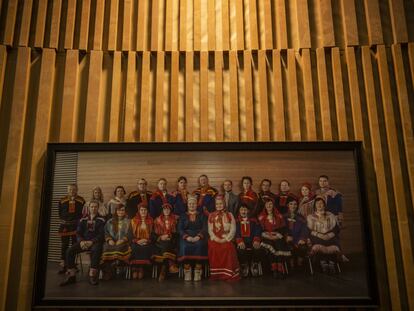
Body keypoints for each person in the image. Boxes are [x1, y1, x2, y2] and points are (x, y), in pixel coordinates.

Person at [60, 200, 105, 286]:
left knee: (96, 250)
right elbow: (78, 232)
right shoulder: (83, 219)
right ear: (89, 208)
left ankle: (92, 276)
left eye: (95, 207)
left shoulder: (101, 220)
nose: (93, 208)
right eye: (92, 207)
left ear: (98, 208)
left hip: (95, 243)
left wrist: (91, 242)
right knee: (69, 251)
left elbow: (101, 235)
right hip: (83, 242)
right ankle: (72, 276)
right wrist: (81, 241)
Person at [208, 195, 240, 281]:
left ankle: (228, 273)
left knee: (228, 248)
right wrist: (216, 238)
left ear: (224, 204)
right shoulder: (211, 215)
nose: (219, 205)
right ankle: (217, 274)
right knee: (213, 248)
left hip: (226, 237)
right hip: (215, 238)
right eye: (217, 204)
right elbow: (210, 230)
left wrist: (226, 239)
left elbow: (233, 229)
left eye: (221, 203)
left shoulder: (229, 215)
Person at [177, 195, 208, 281]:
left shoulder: (202, 215)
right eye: (190, 203)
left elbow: (205, 228)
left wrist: (199, 236)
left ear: (196, 204)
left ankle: (198, 270)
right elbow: (179, 229)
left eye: (193, 203)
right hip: (186, 236)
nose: (192, 205)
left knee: (200, 245)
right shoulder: (183, 216)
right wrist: (187, 237)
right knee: (185, 246)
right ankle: (187, 270)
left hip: (199, 236)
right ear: (187, 205)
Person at [307, 196, 341, 274]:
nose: (319, 205)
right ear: (315, 206)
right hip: (316, 236)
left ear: (324, 205)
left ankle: (331, 263)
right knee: (319, 243)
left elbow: (336, 228)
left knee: (334, 242)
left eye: (321, 203)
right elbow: (309, 230)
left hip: (330, 235)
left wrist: (329, 235)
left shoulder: (331, 215)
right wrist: (319, 235)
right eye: (317, 204)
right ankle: (324, 264)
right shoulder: (310, 216)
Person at [258, 198, 291, 279]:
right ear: (265, 206)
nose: (269, 206)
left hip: (277, 236)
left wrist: (277, 236)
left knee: (279, 244)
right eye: (267, 204)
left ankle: (279, 268)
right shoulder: (261, 216)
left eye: (270, 204)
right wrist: (268, 236)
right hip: (265, 236)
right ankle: (274, 268)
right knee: (270, 245)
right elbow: (259, 229)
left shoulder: (278, 216)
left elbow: (283, 228)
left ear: (273, 205)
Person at [57, 184, 85, 274]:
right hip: (65, 226)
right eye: (70, 189)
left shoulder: (81, 200)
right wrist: (65, 220)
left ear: (77, 190)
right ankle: (63, 266)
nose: (72, 191)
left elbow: (83, 213)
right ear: (67, 190)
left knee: (74, 246)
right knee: (64, 245)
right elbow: (60, 213)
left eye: (74, 189)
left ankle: (73, 265)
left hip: (76, 226)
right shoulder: (62, 200)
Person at [100, 203, 131, 280]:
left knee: (119, 248)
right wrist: (109, 240)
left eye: (122, 210)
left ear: (125, 211)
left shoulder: (129, 221)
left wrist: (122, 240)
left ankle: (117, 266)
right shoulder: (110, 221)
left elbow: (130, 233)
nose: (120, 212)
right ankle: (108, 271)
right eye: (119, 210)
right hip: (112, 241)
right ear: (116, 211)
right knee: (106, 248)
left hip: (123, 242)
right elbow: (106, 232)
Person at [152, 203, 179, 281]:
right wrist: (161, 237)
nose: (166, 210)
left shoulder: (176, 219)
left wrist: (169, 236)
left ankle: (163, 270)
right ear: (162, 210)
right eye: (164, 209)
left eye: (168, 209)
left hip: (172, 240)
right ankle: (171, 265)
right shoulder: (157, 220)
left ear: (170, 210)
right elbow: (153, 234)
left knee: (167, 244)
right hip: (160, 241)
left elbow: (177, 233)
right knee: (165, 245)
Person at [235, 204, 263, 278]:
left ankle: (255, 263)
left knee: (258, 249)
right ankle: (244, 264)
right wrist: (239, 241)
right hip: (242, 242)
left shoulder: (253, 220)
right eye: (241, 210)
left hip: (252, 241)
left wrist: (256, 240)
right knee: (240, 250)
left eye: (245, 210)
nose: (243, 211)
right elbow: (236, 232)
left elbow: (258, 230)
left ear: (248, 211)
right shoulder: (236, 221)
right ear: (239, 211)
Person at [129, 203, 155, 280]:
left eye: (145, 210)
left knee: (146, 248)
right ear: (139, 211)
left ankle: (141, 268)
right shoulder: (133, 220)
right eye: (141, 210)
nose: (143, 212)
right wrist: (137, 241)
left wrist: (147, 240)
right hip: (136, 241)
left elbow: (154, 233)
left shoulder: (151, 220)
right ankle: (134, 268)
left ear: (147, 211)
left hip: (147, 241)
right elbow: (130, 234)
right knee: (134, 247)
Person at [285, 197, 309, 270]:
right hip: (287, 239)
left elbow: (305, 229)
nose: (293, 206)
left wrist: (302, 239)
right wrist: (286, 236)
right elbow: (281, 229)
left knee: (303, 247)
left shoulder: (301, 217)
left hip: (298, 239)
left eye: (295, 204)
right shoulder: (283, 216)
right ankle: (291, 264)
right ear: (287, 205)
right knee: (289, 247)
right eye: (291, 204)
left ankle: (299, 263)